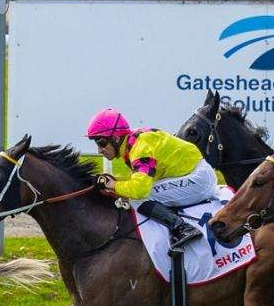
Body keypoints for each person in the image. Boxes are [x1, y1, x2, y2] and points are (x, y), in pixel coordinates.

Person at [86, 108, 215, 253]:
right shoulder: (132, 142)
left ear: (115, 138)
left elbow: (139, 190)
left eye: (101, 142)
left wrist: (112, 184)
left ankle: (183, 228)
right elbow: (140, 182)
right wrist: (116, 186)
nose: (99, 150)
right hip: (191, 174)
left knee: (138, 199)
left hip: (198, 179)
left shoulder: (140, 147)